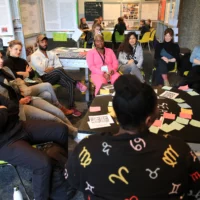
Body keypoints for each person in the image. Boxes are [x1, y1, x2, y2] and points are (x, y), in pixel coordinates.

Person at [66, 75, 200, 200]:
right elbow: (195, 188)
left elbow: (71, 178)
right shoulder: (179, 149)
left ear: (116, 114)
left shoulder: (86, 147)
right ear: (149, 120)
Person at [0, 92, 69, 200]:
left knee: (61, 130)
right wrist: (4, 110)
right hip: (4, 143)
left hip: (19, 127)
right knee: (42, 163)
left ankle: (61, 173)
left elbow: (14, 106)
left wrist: (4, 112)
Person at [0, 52, 77, 137]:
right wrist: (20, 100)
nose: (1, 60)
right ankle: (75, 134)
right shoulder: (9, 63)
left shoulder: (5, 70)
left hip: (25, 96)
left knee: (58, 112)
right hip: (18, 107)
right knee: (53, 118)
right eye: (16, 49)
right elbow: (6, 103)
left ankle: (74, 132)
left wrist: (22, 94)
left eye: (1, 57)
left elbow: (20, 82)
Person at [4, 39, 73, 116]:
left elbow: (32, 74)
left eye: (20, 50)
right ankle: (60, 108)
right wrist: (26, 73)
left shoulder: (22, 61)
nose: (18, 52)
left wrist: (23, 73)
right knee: (47, 85)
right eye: (16, 49)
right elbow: (13, 76)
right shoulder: (7, 62)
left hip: (29, 85)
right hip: (21, 90)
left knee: (47, 94)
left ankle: (53, 114)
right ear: (10, 48)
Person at [31, 35, 87, 117]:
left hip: (56, 76)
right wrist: (51, 68)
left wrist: (50, 68)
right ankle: (76, 83)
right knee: (58, 71)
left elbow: (58, 65)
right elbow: (43, 69)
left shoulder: (51, 53)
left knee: (69, 84)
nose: (44, 44)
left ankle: (72, 107)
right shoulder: (34, 56)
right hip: (45, 78)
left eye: (46, 41)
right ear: (38, 43)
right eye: (42, 42)